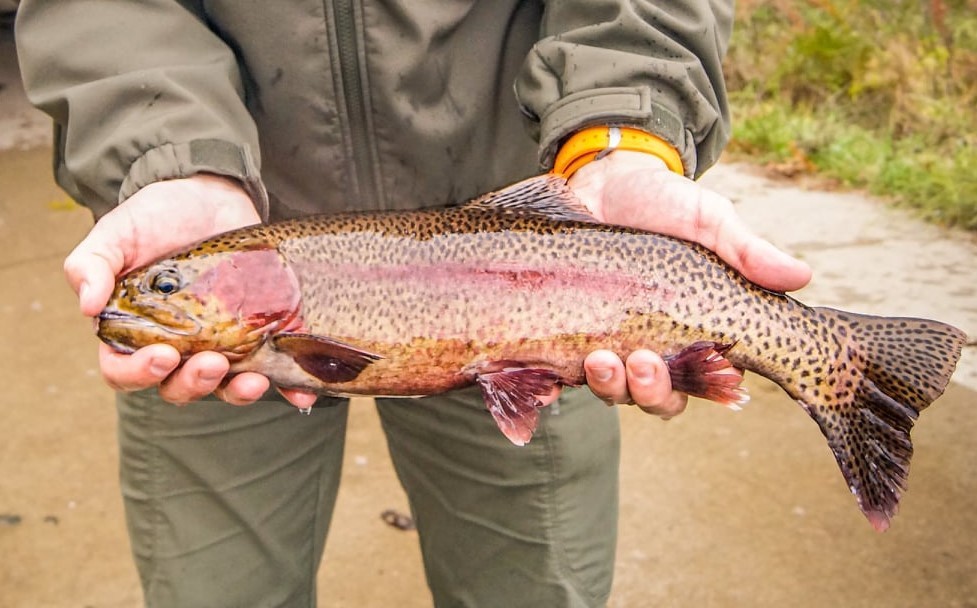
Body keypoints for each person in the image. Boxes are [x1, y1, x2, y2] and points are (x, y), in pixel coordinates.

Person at [16, 1, 810, 606]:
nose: (148, 296)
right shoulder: (227, 313)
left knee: (532, 587)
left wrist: (619, 133)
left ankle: (820, 360)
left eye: (166, 286)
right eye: (166, 289)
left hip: (518, 251)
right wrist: (169, 159)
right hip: (229, 205)